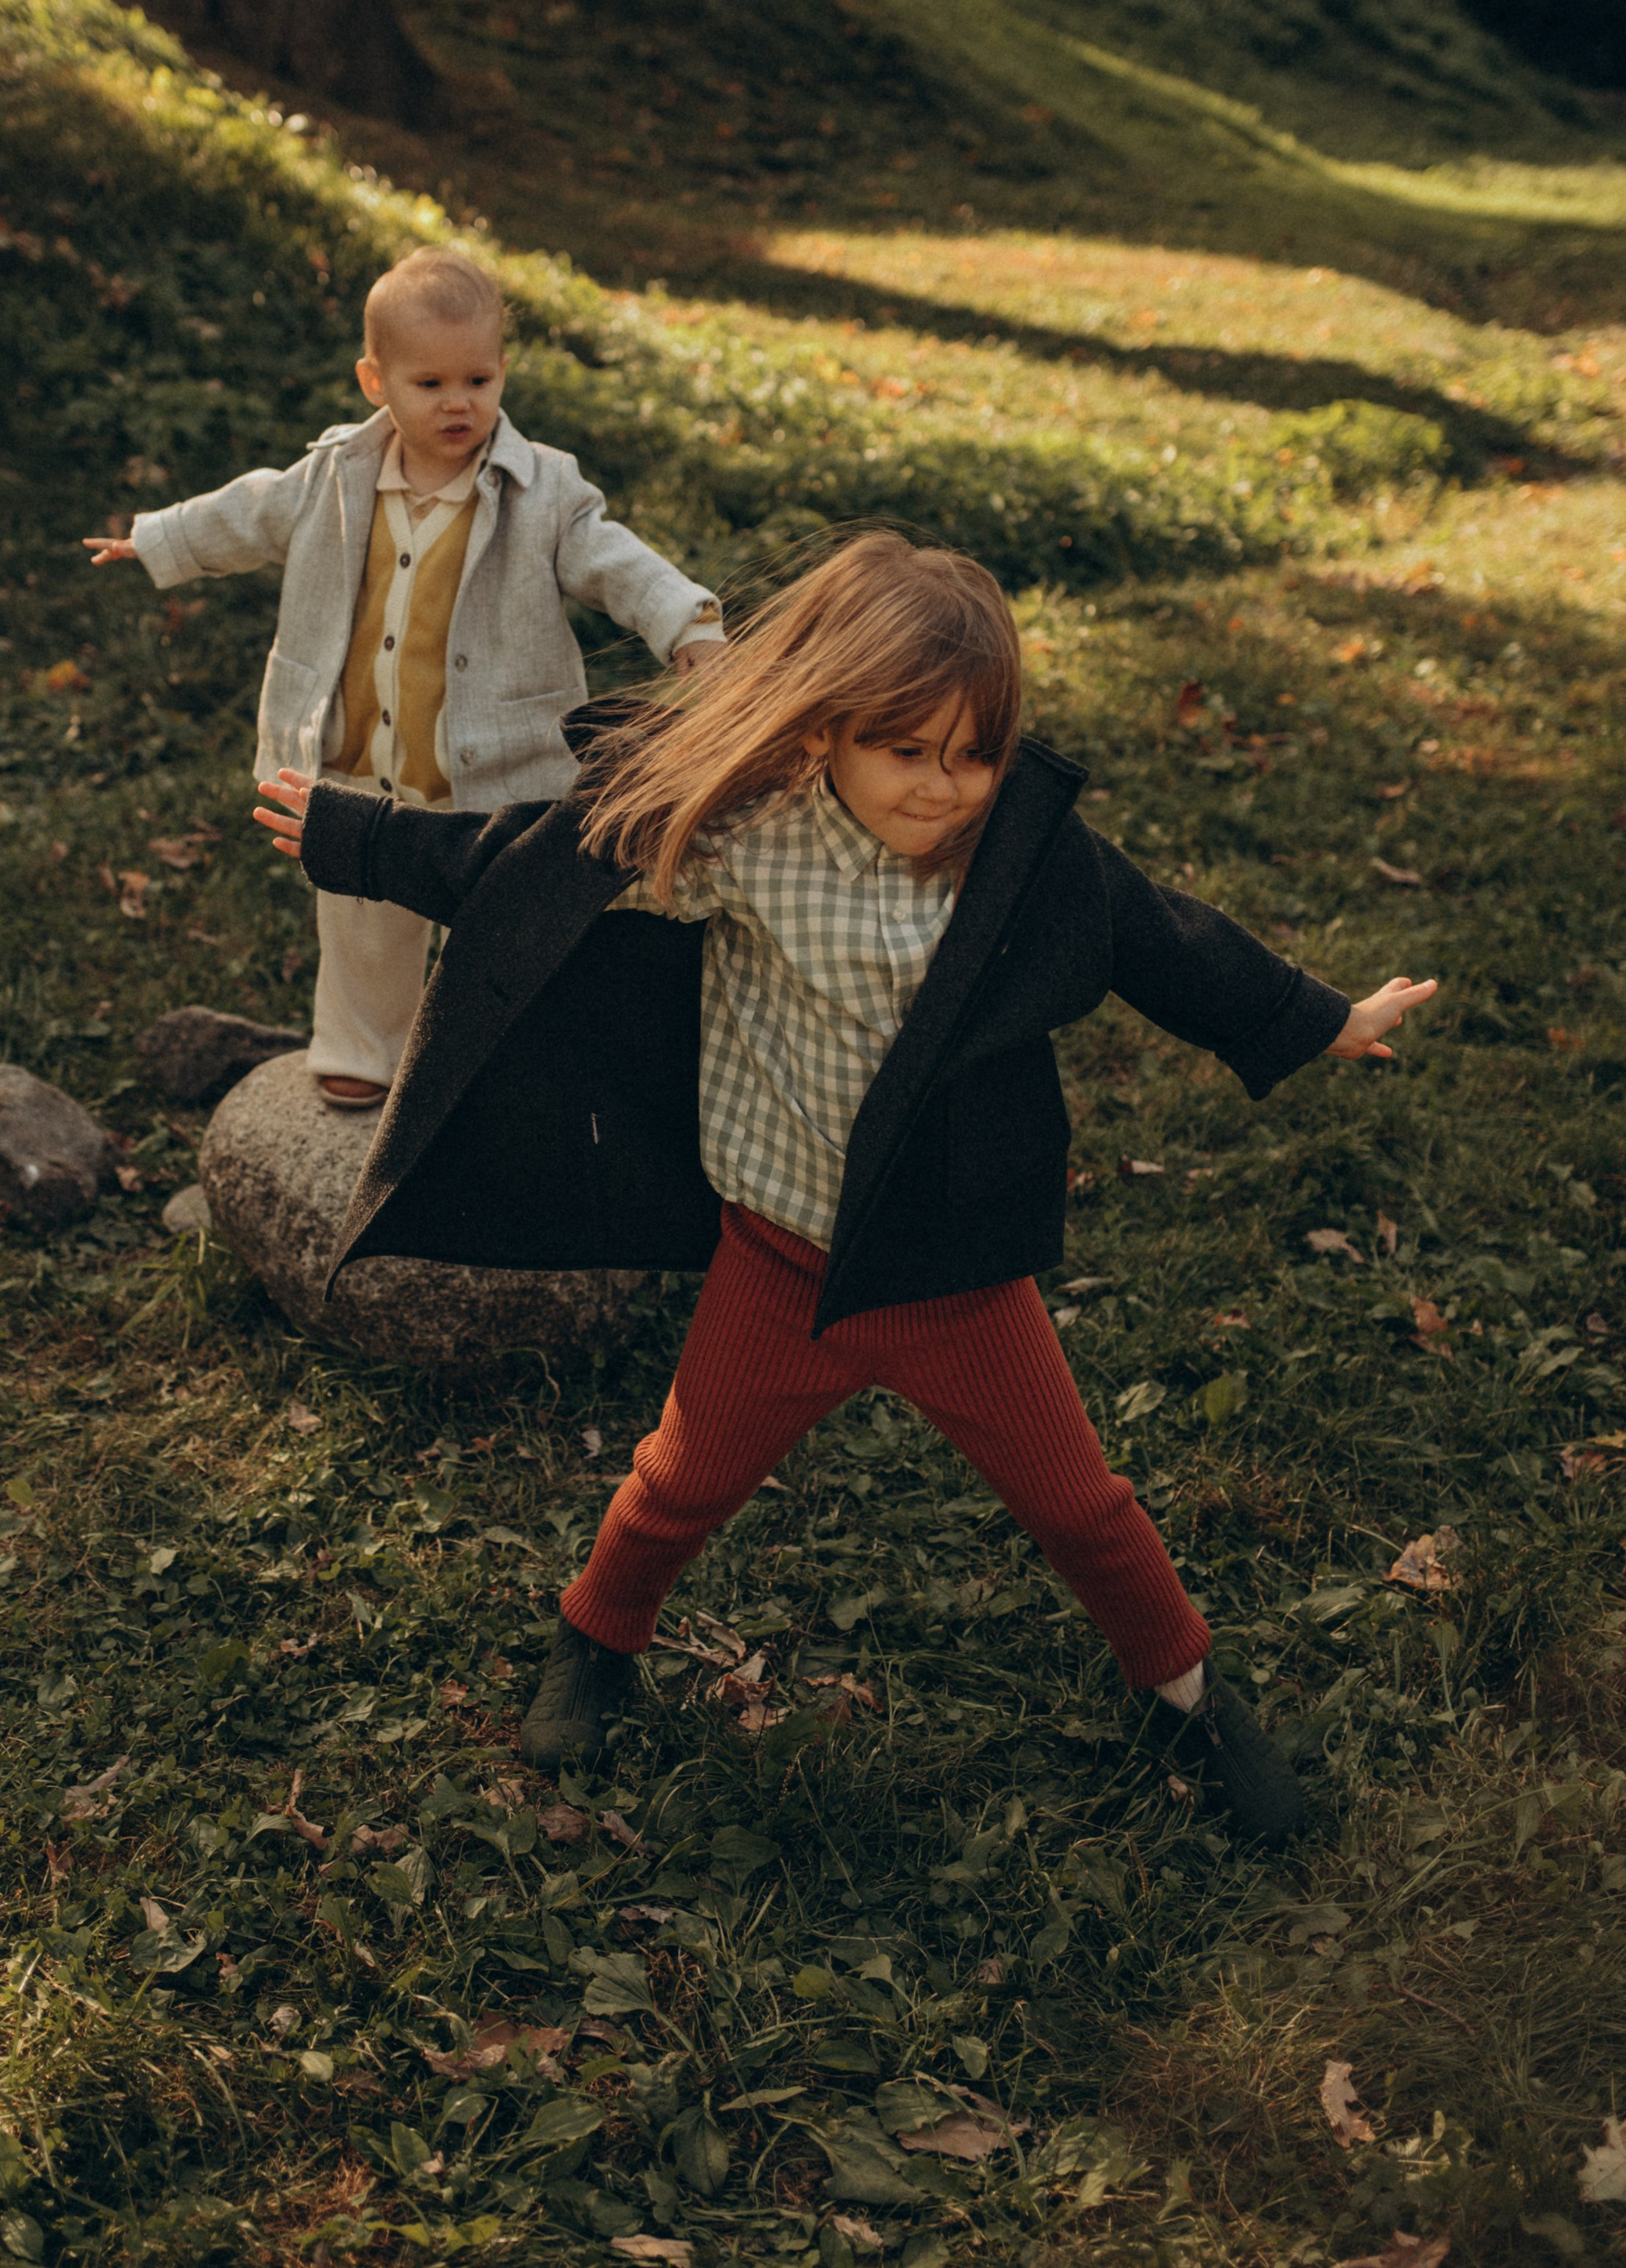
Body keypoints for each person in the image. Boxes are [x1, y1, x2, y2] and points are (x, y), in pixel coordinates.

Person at [248, 533, 1438, 1842]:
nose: (944, 788)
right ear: (825, 735)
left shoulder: (1023, 861)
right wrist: (363, 839)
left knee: (1084, 1508)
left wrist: (1317, 1017)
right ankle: (596, 1639)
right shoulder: (748, 837)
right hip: (780, 1264)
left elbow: (1169, 941)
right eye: (907, 752)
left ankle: (1193, 1697)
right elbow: (537, 865)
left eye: (974, 754)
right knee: (677, 1481)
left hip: (954, 1277)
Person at [87, 246, 723, 1107]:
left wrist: (685, 622)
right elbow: (252, 508)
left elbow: (617, 563)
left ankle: (502, 1049)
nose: (459, 403)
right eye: (430, 384)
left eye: (479, 380)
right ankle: (361, 1046)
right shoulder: (337, 476)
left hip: (489, 761)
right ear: (374, 381)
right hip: (358, 750)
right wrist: (159, 539)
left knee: (502, 912)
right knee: (359, 909)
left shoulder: (545, 493)